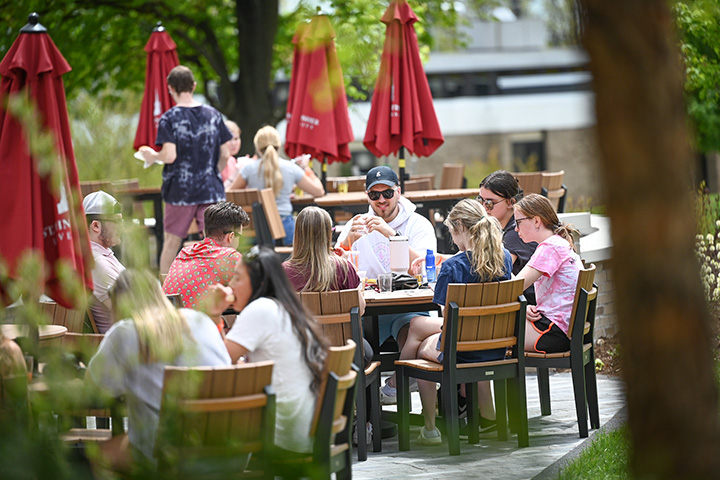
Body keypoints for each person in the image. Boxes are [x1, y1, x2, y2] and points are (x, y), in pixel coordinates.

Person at [86, 269, 231, 465]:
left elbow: (94, 389)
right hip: (229, 449)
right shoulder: (199, 320)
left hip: (169, 457)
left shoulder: (126, 331)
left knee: (96, 457)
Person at [403, 199, 513, 445]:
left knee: (421, 351)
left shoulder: (452, 267)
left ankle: (429, 427)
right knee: (418, 326)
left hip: (461, 351)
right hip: (495, 346)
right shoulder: (504, 258)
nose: (452, 238)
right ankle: (488, 417)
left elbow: (446, 317)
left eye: (451, 231)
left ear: (461, 226)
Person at [207, 246, 328, 455]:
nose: (230, 285)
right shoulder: (284, 307)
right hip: (304, 428)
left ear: (258, 282)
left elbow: (219, 360)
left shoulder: (260, 309)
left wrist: (214, 315)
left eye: (237, 278)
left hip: (281, 434)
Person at [335, 166, 437, 404]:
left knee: (413, 339)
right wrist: (349, 241)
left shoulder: (417, 224)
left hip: (407, 306)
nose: (381, 200)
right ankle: (365, 415)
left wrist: (394, 236)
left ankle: (429, 420)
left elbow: (426, 267)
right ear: (367, 196)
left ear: (398, 192)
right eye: (375, 195)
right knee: (347, 343)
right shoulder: (356, 224)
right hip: (367, 308)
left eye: (387, 193)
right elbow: (336, 267)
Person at [139, 65, 233, 274]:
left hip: (180, 191)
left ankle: (167, 294)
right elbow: (225, 154)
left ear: (170, 88)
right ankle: (220, 286)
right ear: (194, 85)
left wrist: (153, 156)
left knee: (172, 242)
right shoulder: (214, 115)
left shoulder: (169, 118)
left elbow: (170, 155)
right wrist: (213, 173)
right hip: (210, 189)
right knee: (216, 243)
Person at [228, 126, 324, 246]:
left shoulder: (249, 169)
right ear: (278, 147)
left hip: (257, 232)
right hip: (286, 230)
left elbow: (229, 194)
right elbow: (319, 191)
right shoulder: (290, 168)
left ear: (257, 148)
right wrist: (306, 167)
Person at [514, 193, 581, 354]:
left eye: (518, 222)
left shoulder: (550, 248)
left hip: (553, 332)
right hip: (563, 329)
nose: (516, 229)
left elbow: (514, 287)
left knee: (489, 335)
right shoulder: (560, 243)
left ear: (536, 221)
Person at [163, 201, 250, 316]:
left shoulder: (185, 252)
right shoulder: (229, 256)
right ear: (231, 237)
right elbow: (251, 291)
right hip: (197, 327)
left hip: (170, 324)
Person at [478, 170, 538, 304]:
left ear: (511, 202)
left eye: (489, 203)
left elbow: (494, 270)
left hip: (527, 306)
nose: (483, 207)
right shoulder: (502, 227)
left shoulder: (517, 232)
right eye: (480, 200)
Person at [83, 190, 126, 333]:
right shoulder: (97, 262)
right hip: (124, 347)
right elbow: (132, 311)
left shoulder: (102, 254)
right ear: (95, 226)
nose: (122, 228)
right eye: (117, 222)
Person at [220, 120, 255, 190]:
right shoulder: (219, 161)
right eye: (229, 140)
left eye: (236, 139)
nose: (234, 143)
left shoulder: (233, 160)